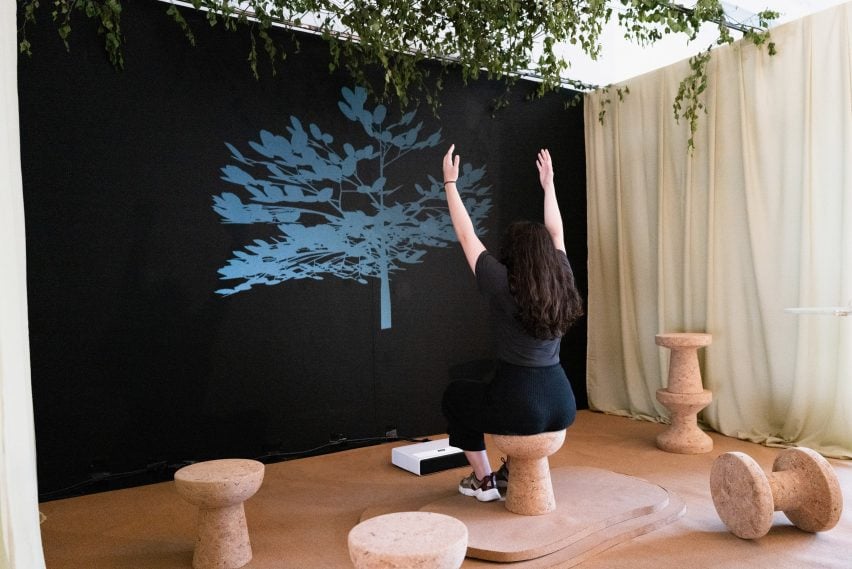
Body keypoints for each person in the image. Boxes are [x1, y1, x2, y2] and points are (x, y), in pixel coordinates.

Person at [440, 145, 584, 502]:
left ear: (513, 252)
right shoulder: (562, 276)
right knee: (488, 394)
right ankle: (505, 474)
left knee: (455, 395)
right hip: (562, 402)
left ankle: (485, 480)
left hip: (519, 403)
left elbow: (466, 234)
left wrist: (449, 183)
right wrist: (549, 186)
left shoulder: (501, 281)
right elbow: (556, 232)